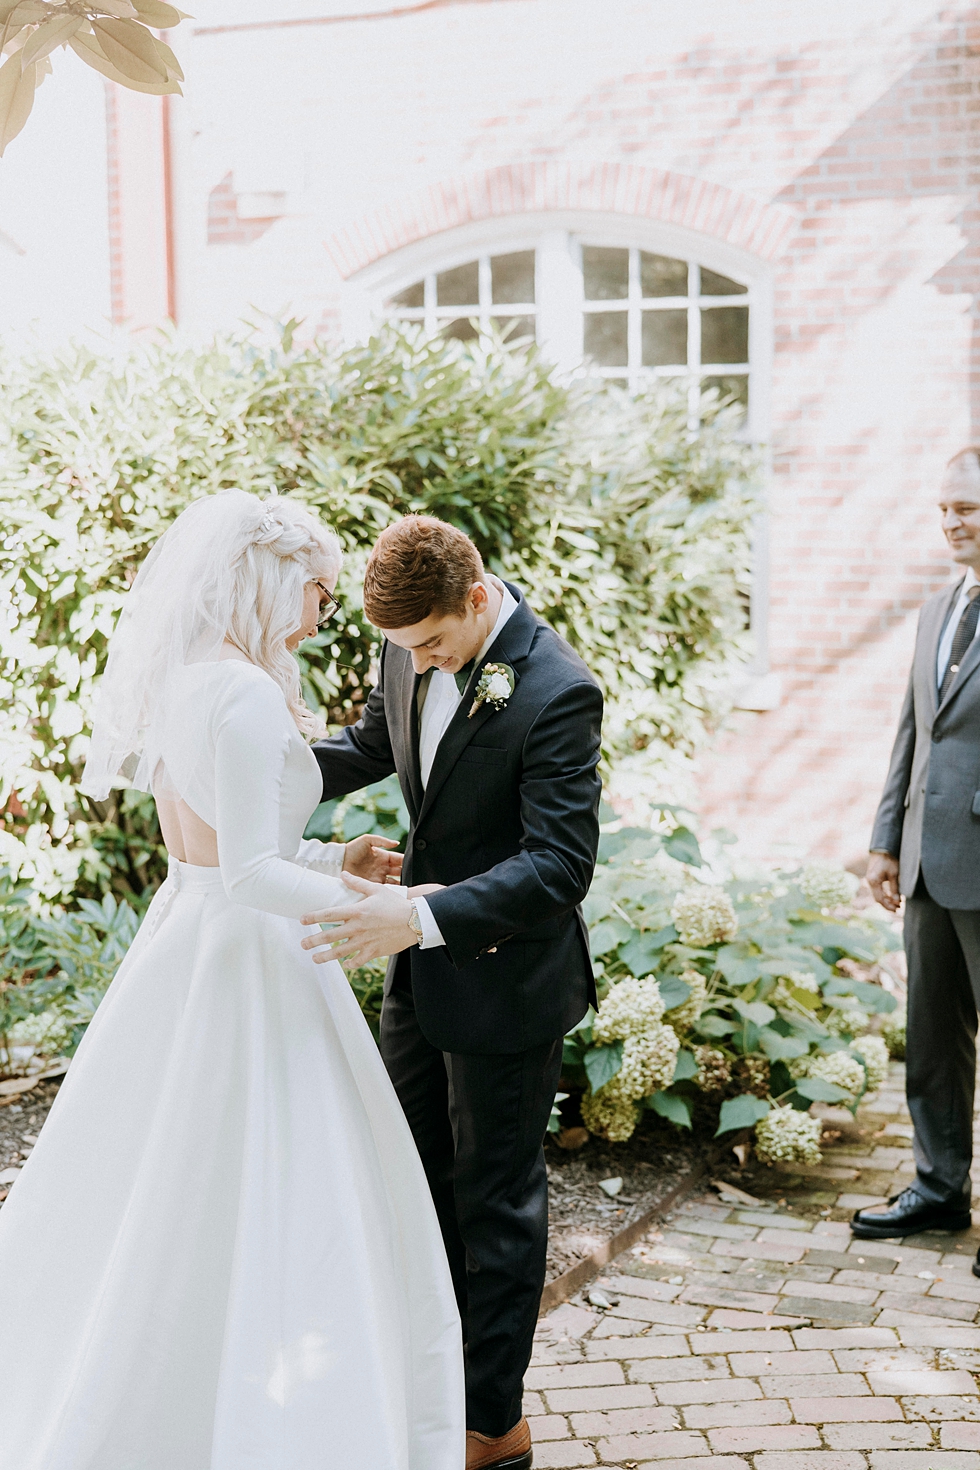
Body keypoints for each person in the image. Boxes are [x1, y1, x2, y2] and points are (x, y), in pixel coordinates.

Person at [0, 491, 464, 1469]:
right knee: (283, 1182)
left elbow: (217, 852)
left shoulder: (190, 681)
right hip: (253, 962)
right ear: (266, 578)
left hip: (190, 934)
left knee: (166, 1172)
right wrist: (363, 909)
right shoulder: (246, 693)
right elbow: (252, 874)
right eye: (316, 592)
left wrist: (333, 859)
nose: (320, 614)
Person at [301, 515, 603, 1470]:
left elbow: (559, 867)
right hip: (416, 982)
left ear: (477, 599)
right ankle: (431, 1386)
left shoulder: (559, 690)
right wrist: (232, 762)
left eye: (432, 645)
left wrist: (423, 916)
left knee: (497, 1207)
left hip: (507, 985)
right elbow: (371, 743)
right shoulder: (410, 652)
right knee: (411, 1186)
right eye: (404, 652)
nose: (419, 667)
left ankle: (491, 1426)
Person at [855, 447, 980, 1245]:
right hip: (928, 861)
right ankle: (938, 1191)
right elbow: (914, 729)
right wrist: (885, 840)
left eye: (966, 507)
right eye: (944, 509)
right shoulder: (938, 609)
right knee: (933, 1039)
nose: (951, 522)